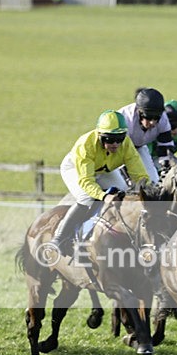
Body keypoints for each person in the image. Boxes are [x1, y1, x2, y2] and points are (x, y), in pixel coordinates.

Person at [45, 110, 152, 260]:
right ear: (100, 135)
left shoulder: (126, 144)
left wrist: (148, 192)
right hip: (75, 169)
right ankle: (59, 238)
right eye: (109, 139)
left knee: (122, 193)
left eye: (119, 139)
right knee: (87, 197)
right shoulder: (86, 145)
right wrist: (103, 196)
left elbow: (140, 176)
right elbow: (86, 181)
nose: (115, 144)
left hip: (104, 169)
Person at [118, 88, 174, 183]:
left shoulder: (163, 119)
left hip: (139, 147)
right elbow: (120, 150)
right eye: (148, 117)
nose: (152, 122)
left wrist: (165, 168)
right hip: (116, 151)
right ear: (138, 112)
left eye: (156, 118)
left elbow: (165, 148)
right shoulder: (125, 118)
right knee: (123, 184)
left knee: (154, 181)